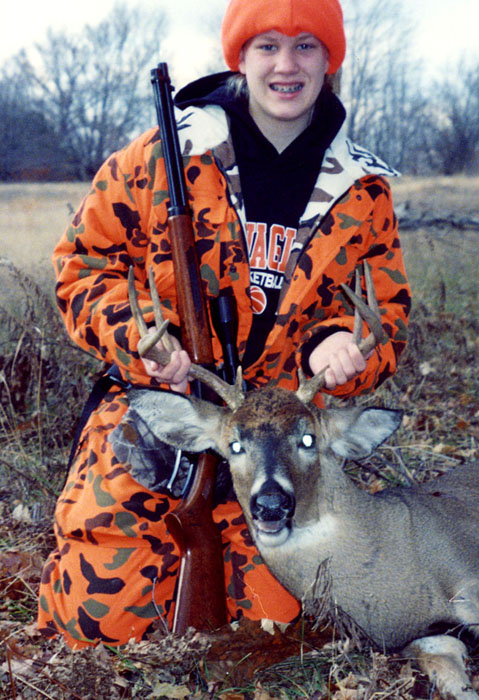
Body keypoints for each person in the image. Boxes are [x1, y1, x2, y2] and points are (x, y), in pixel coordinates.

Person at [38, 0, 411, 648]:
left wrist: (339, 346)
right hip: (160, 413)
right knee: (99, 625)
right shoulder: (166, 158)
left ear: (331, 59)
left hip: (282, 427)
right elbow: (80, 263)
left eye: (305, 45)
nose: (286, 65)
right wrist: (144, 335)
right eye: (266, 45)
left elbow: (381, 311)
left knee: (287, 626)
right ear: (240, 57)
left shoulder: (361, 189)